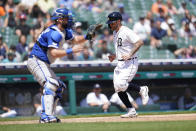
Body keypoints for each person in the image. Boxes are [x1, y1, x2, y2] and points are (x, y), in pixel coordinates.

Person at [27, 8, 91, 123]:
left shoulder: (64, 30)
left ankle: (50, 115)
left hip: (44, 63)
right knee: (50, 84)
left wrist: (87, 36)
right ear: (60, 20)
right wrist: (71, 51)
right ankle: (45, 116)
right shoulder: (55, 32)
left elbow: (75, 40)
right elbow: (54, 53)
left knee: (59, 87)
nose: (69, 20)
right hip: (36, 60)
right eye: (67, 18)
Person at [107, 12, 149, 118]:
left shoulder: (126, 31)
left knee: (121, 84)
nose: (110, 24)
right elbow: (122, 48)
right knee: (118, 88)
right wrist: (114, 55)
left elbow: (139, 42)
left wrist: (130, 54)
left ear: (119, 21)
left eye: (112, 22)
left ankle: (141, 89)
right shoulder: (115, 32)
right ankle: (131, 110)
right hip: (120, 62)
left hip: (130, 62)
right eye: (110, 23)